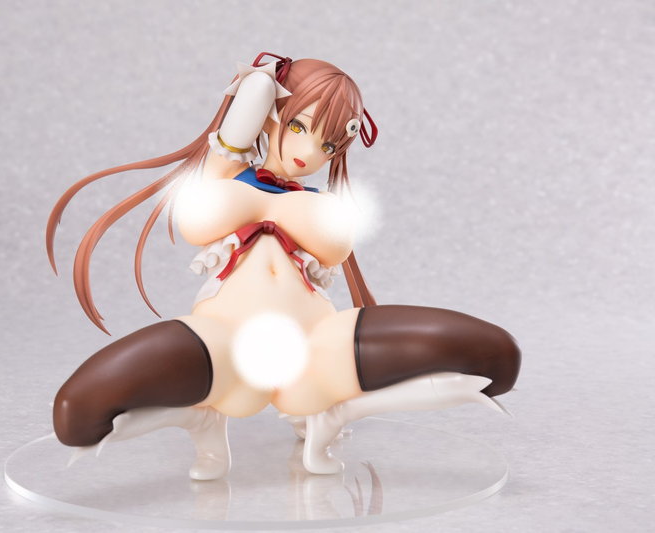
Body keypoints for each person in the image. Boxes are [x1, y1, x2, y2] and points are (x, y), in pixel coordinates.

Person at [46, 53, 521, 480]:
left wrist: (267, 198)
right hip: (225, 344)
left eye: (328, 146)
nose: (310, 154)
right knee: (80, 409)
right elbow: (207, 198)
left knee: (492, 354)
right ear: (272, 115)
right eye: (298, 127)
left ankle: (332, 414)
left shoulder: (320, 203)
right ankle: (205, 422)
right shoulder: (227, 175)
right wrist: (261, 88)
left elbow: (333, 244)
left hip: (314, 348)